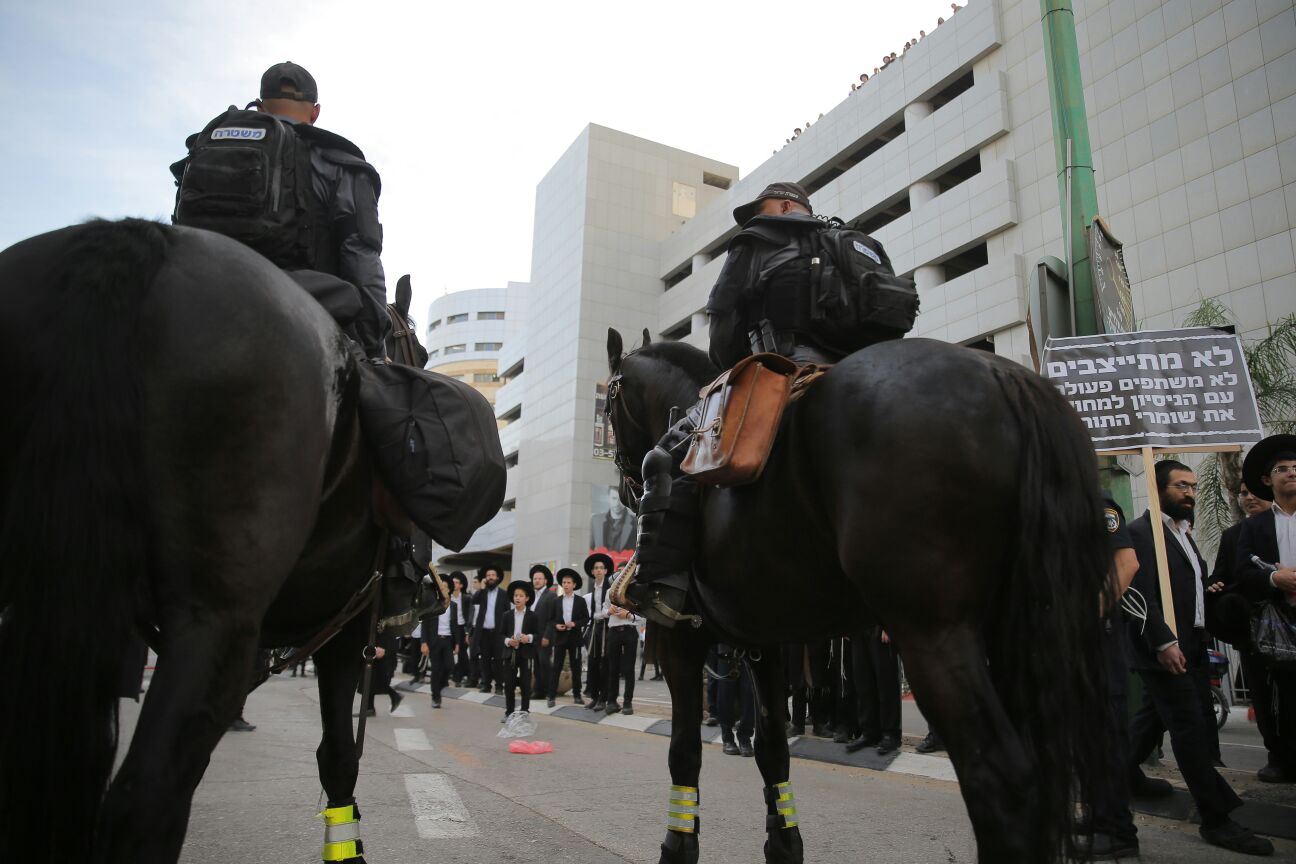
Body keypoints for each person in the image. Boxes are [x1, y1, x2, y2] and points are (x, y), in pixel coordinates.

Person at [613, 182, 900, 625]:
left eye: (759, 209)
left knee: (666, 456)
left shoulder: (758, 239)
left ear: (786, 206)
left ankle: (664, 585)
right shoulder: (849, 242)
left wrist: (731, 368)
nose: (752, 219)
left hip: (784, 369)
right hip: (860, 369)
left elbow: (723, 328)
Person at [170, 62, 390, 361]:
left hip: (194, 299)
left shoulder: (202, 152)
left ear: (260, 108)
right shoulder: (340, 165)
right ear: (315, 112)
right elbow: (361, 259)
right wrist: (374, 347)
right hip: (303, 305)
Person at [1124, 460, 1272, 856]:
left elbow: (1180, 587)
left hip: (1190, 644)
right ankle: (1217, 818)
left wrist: (1208, 591)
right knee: (1190, 732)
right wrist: (1163, 643)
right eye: (1181, 486)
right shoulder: (1141, 533)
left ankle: (1118, 776)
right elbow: (1138, 595)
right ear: (1158, 490)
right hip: (1163, 649)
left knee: (1150, 718)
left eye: (1192, 485)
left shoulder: (1183, 533)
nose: (1190, 492)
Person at [1235, 435, 1296, 784]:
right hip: (1279, 628)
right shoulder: (1254, 526)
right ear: (1267, 479)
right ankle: (1285, 759)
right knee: (1285, 699)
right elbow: (1242, 572)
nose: (1291, 474)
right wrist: (1275, 578)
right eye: (1282, 469)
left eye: (1295, 468)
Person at [1086, 494, 1141, 860]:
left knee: (1106, 735)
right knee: (1086, 737)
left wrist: (1083, 615)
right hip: (1066, 643)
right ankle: (1098, 816)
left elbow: (1127, 563)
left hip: (1095, 637)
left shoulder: (1096, 504)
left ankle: (1119, 830)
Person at [845, 628, 902, 756]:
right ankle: (869, 732)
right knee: (863, 683)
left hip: (879, 625)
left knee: (886, 682)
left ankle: (890, 734)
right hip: (859, 626)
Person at [421, 577, 467, 708]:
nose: (443, 590)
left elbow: (456, 626)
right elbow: (425, 625)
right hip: (434, 641)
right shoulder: (432, 605)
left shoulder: (453, 606)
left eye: (446, 587)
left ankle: (439, 687)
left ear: (449, 590)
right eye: (441, 587)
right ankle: (435, 697)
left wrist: (457, 643)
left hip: (447, 640)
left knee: (449, 666)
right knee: (435, 669)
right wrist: (424, 642)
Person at [549, 568, 590, 706]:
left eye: (568, 582)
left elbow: (586, 618)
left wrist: (575, 624)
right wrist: (556, 626)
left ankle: (577, 695)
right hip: (560, 638)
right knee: (556, 667)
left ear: (574, 585)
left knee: (576, 667)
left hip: (575, 638)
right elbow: (551, 619)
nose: (565, 584)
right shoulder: (556, 601)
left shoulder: (580, 601)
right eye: (564, 582)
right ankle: (551, 696)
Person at [500, 580, 538, 720]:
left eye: (521, 595)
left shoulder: (533, 616)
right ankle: (509, 712)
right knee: (509, 684)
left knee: (525, 684)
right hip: (510, 653)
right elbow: (500, 635)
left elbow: (538, 634)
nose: (517, 598)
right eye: (515, 595)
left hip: (526, 653)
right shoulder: (507, 615)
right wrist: (508, 641)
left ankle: (524, 711)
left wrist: (528, 638)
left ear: (527, 598)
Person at [584, 553, 614, 711]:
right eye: (596, 568)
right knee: (593, 663)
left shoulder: (609, 588)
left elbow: (609, 609)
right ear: (592, 571)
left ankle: (604, 698)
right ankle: (594, 697)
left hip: (606, 627)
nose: (599, 570)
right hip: (594, 626)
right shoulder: (592, 588)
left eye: (601, 568)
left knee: (604, 664)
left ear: (606, 570)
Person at [472, 566, 507, 695]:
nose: (491, 577)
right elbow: (473, 601)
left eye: (493, 575)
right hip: (484, 633)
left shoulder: (504, 594)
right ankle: (485, 684)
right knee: (485, 660)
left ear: (497, 578)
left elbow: (507, 613)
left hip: (498, 633)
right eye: (488, 575)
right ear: (485, 578)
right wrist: (481, 588)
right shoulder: (482, 593)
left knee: (498, 660)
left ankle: (499, 686)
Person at [604, 597, 641, 715]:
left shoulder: (635, 589)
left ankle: (627, 703)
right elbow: (603, 612)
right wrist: (609, 611)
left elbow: (643, 617)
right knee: (612, 668)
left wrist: (628, 615)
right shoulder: (611, 590)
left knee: (629, 669)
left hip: (630, 631)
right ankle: (611, 702)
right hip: (613, 631)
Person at [527, 565, 558, 706]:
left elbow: (553, 619)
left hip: (544, 636)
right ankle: (538, 690)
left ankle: (548, 690)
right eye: (535, 579)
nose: (537, 581)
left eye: (540, 579)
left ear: (545, 581)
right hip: (531, 636)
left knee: (544, 664)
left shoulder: (551, 596)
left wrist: (547, 636)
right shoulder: (530, 596)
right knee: (536, 665)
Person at [591, 486, 637, 552]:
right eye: (614, 498)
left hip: (624, 562)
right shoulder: (595, 520)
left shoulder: (636, 522)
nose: (617, 503)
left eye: (621, 500)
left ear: (626, 500)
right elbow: (590, 549)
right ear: (608, 498)